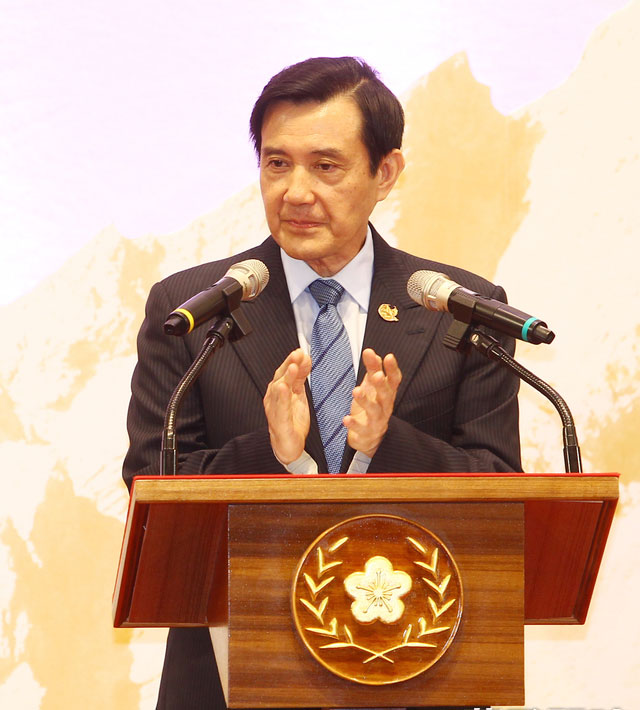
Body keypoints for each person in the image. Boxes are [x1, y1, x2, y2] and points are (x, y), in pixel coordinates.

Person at [123, 56, 521, 710]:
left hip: (420, 664)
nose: (296, 192)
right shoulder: (193, 309)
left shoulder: (459, 309)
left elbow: (499, 488)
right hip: (228, 673)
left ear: (385, 172)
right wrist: (272, 454)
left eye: (326, 166)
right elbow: (151, 487)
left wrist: (386, 443)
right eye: (277, 163)